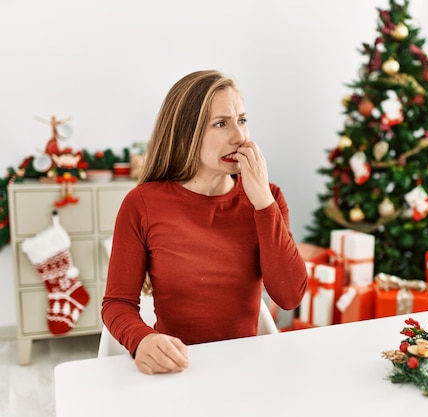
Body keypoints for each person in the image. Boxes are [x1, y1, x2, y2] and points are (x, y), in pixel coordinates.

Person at [102, 70, 308, 375]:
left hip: (245, 370)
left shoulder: (268, 197)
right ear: (187, 133)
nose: (239, 137)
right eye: (221, 123)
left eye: (242, 120)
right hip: (177, 371)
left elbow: (290, 297)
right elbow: (117, 303)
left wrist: (263, 203)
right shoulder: (142, 204)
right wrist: (142, 340)